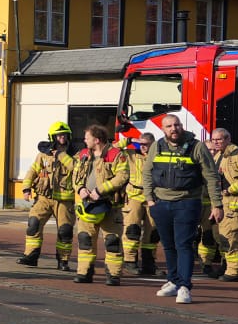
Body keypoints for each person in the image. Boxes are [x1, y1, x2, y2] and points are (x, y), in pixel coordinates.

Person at [142, 113, 222, 305]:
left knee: (183, 245)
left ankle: (185, 286)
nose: (173, 129)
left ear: (181, 126)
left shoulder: (197, 147)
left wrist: (217, 204)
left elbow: (211, 177)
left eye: (176, 125)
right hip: (161, 204)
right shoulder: (157, 146)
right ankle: (173, 281)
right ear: (163, 129)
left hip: (187, 203)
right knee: (168, 245)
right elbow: (147, 172)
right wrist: (150, 200)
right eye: (169, 126)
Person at [69, 124, 129, 285]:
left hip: (110, 205)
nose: (84, 140)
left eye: (87, 138)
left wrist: (100, 190)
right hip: (87, 205)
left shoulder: (116, 155)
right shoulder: (83, 155)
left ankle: (113, 275)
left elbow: (122, 177)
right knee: (85, 239)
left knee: (112, 241)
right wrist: (80, 189)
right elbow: (75, 175)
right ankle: (84, 272)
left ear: (96, 140)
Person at [199, 127, 238, 281]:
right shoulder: (219, 155)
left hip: (232, 203)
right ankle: (226, 266)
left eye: (219, 139)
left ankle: (235, 272)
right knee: (220, 237)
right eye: (214, 140)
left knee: (230, 237)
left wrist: (231, 189)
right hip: (220, 203)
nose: (216, 142)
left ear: (227, 139)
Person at [16, 122, 77, 269]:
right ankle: (31, 256)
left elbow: (76, 168)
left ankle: (63, 261)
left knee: (65, 231)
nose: (62, 137)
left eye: (64, 134)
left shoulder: (75, 153)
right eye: (59, 134)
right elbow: (32, 171)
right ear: (53, 137)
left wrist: (62, 155)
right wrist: (26, 188)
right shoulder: (44, 154)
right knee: (33, 224)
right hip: (44, 198)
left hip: (65, 200)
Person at [118, 133, 159, 277]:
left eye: (146, 144)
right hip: (134, 195)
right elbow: (112, 149)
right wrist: (129, 140)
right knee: (132, 229)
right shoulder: (131, 155)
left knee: (153, 232)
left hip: (152, 197)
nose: (143, 146)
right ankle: (130, 262)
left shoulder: (158, 156)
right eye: (141, 143)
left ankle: (149, 263)